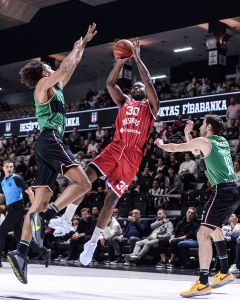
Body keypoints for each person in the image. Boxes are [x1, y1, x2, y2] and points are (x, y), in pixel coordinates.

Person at [52, 38, 160, 266]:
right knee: (84, 180)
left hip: (132, 156)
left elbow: (148, 81)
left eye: (138, 86)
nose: (136, 87)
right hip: (114, 148)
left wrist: (137, 58)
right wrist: (120, 62)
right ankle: (67, 218)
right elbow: (111, 84)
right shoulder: (124, 103)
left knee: (110, 200)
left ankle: (91, 243)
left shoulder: (151, 107)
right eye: (134, 86)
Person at [7, 24, 97, 284]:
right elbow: (65, 68)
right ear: (44, 71)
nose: (52, 68)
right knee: (84, 183)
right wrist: (74, 48)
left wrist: (81, 46)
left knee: (38, 202)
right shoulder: (43, 83)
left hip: (44, 146)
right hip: (51, 139)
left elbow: (71, 68)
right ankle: (47, 217)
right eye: (49, 67)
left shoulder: (53, 87)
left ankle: (20, 252)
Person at [155, 115, 240, 297]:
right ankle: (224, 272)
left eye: (203, 124)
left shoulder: (204, 140)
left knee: (202, 234)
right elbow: (196, 150)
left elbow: (179, 148)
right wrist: (188, 134)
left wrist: (162, 145)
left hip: (222, 191)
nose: (201, 127)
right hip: (233, 191)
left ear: (208, 127)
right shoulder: (222, 141)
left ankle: (203, 283)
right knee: (215, 230)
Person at [0, 161, 48, 268]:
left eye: (11, 167)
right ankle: (44, 252)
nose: (9, 168)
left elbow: (30, 191)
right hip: (11, 210)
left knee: (1, 232)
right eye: (7, 166)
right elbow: (2, 196)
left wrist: (35, 207)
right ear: (3, 168)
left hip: (17, 209)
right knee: (21, 237)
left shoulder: (17, 178)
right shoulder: (2, 181)